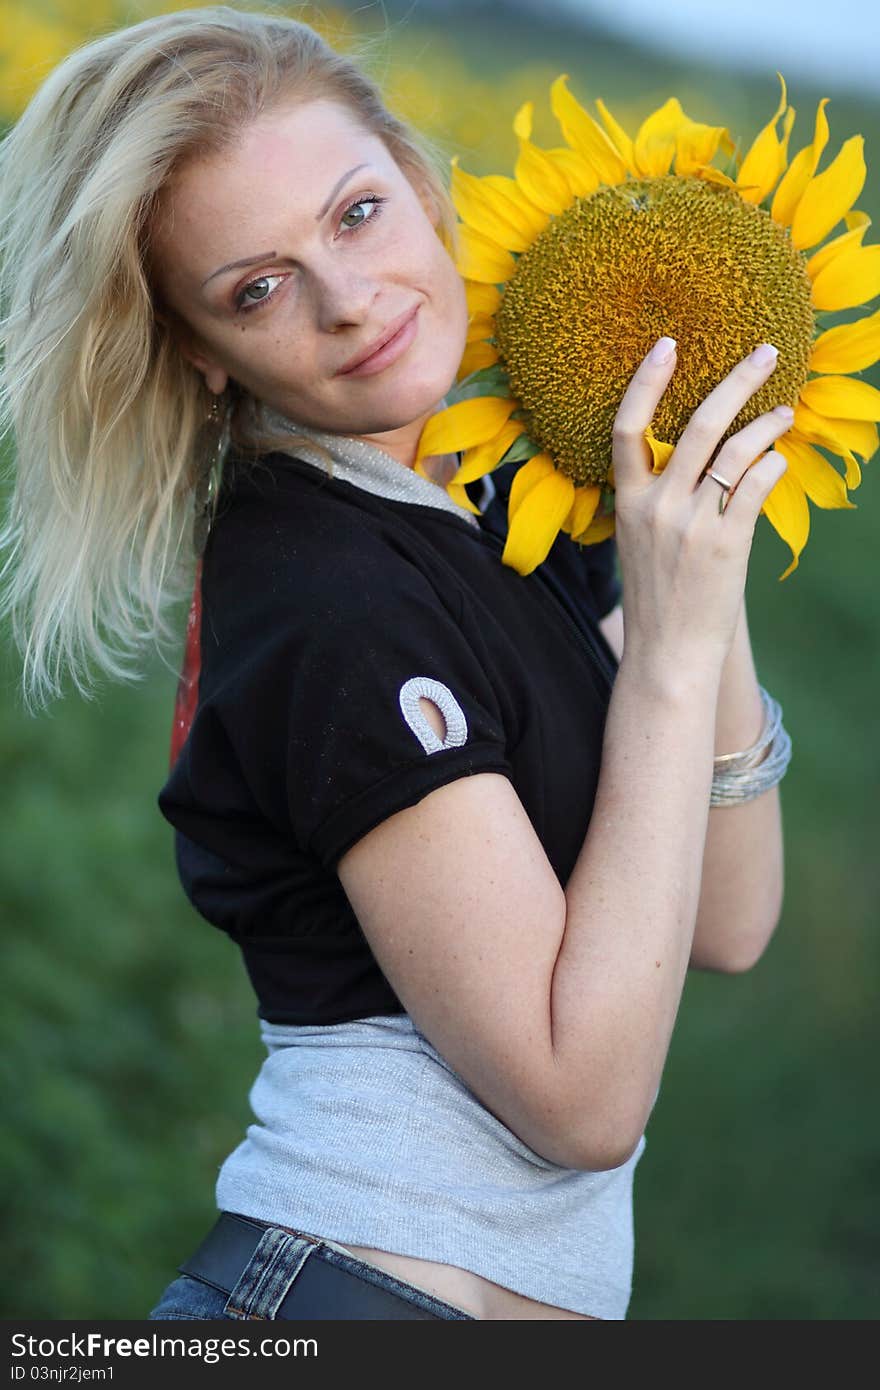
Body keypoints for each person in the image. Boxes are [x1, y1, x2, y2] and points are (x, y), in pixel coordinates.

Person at [0, 6, 792, 1322]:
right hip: (344, 1295)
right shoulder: (325, 591)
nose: (349, 299)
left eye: (357, 214)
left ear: (421, 187)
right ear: (202, 353)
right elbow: (580, 1098)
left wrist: (688, 512)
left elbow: (727, 918)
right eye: (257, 286)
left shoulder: (501, 496)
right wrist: (670, 651)